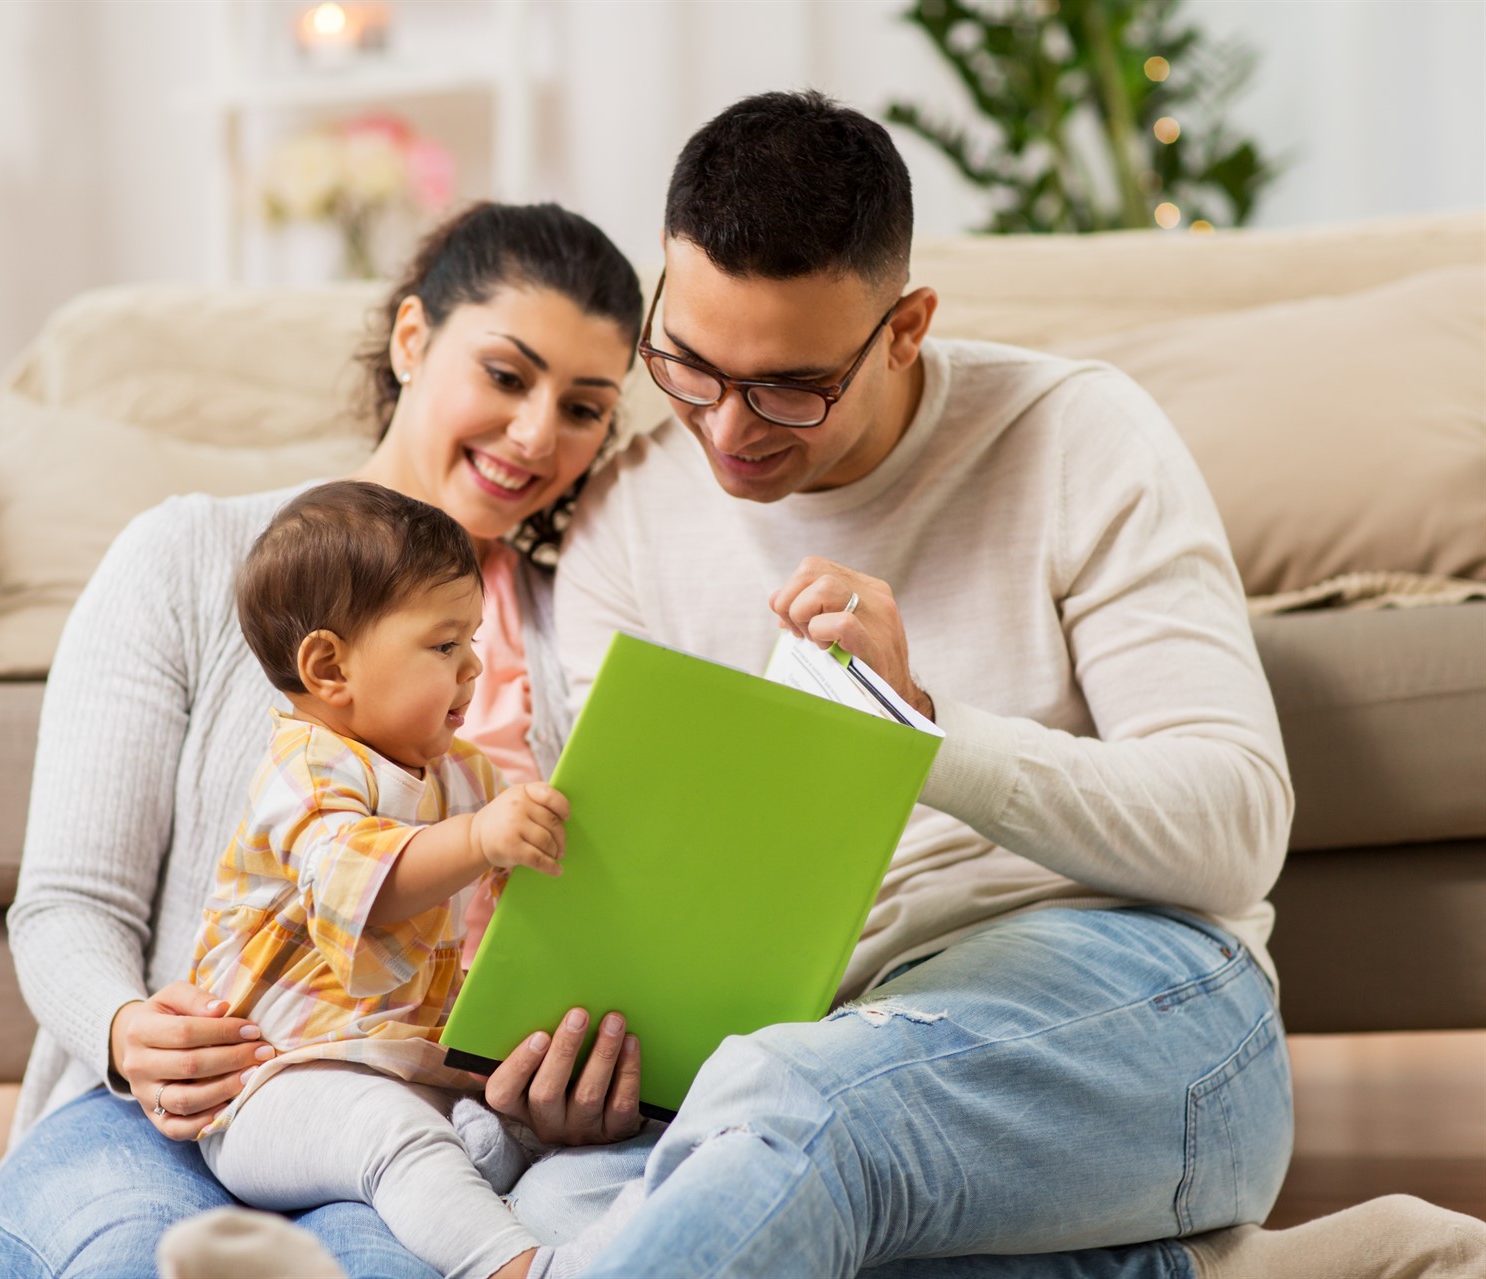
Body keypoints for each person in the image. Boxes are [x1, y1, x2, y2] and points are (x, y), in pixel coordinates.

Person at [534, 90, 1484, 1277]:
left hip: (1134, 995)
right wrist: (601, 1065)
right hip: (807, 1039)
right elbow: (651, 910)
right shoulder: (627, 515)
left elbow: (1236, 825)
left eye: (788, 388)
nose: (726, 430)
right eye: (686, 364)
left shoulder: (1078, 436)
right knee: (561, 1205)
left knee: (800, 1118)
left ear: (906, 326)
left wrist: (917, 730)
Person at [0, 204, 652, 1279]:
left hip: (432, 1123)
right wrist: (125, 1029)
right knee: (120, 1260)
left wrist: (573, 1075)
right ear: (413, 340)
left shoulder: (596, 632)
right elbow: (68, 903)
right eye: (508, 376)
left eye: (584, 408)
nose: (536, 435)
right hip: (172, 1106)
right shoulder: (188, 556)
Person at [177, 480, 595, 1279]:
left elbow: (527, 881)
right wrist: (481, 839)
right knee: (389, 1133)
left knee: (510, 1115)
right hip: (274, 1084)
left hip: (404, 1061)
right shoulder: (306, 770)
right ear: (330, 666)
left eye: (474, 640)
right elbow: (363, 884)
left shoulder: (460, 771)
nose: (476, 666)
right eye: (445, 646)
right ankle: (517, 1268)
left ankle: (505, 1175)